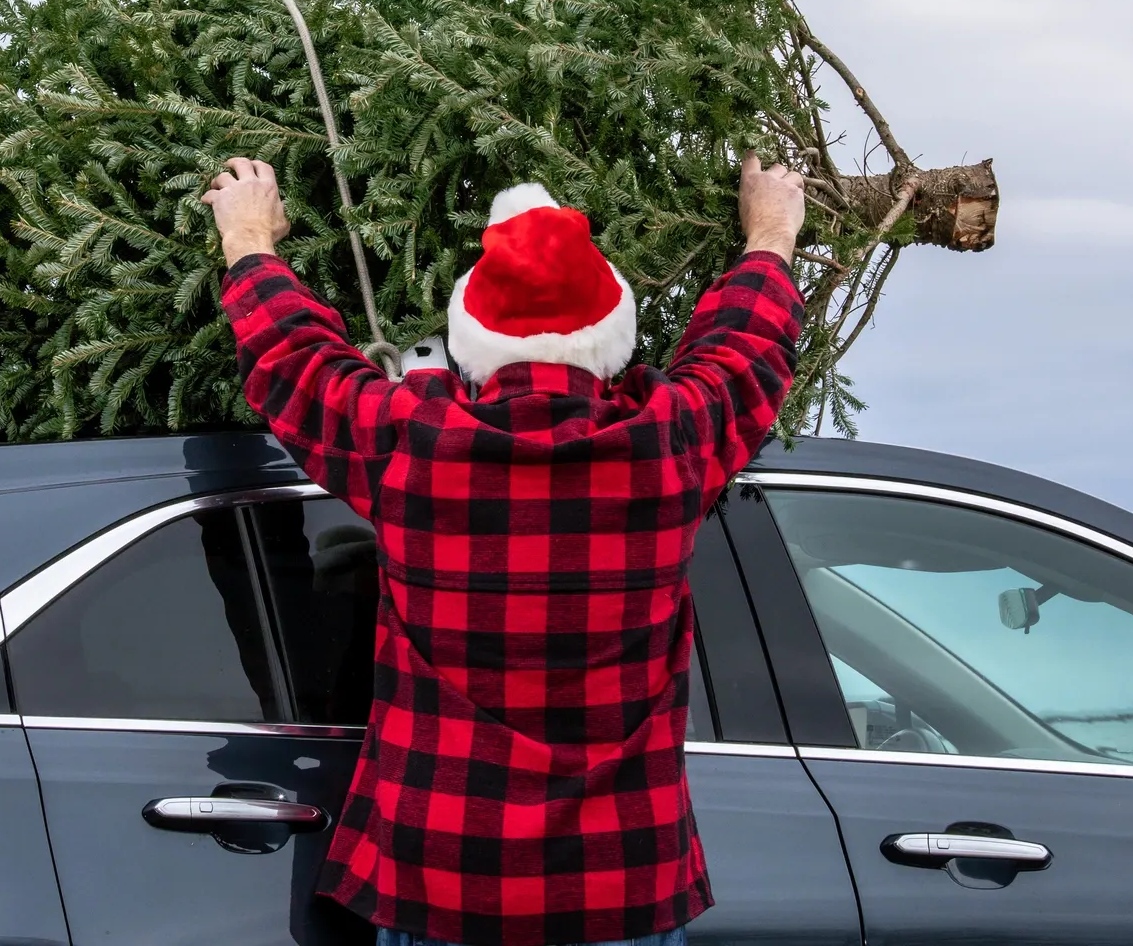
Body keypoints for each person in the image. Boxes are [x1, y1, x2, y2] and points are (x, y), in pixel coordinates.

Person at [201, 155, 807, 946]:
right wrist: (769, 233)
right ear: (613, 336)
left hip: (441, 881)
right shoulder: (669, 442)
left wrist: (249, 237)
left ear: (470, 340)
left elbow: (295, 361)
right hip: (619, 885)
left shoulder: (414, 442)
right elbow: (747, 351)